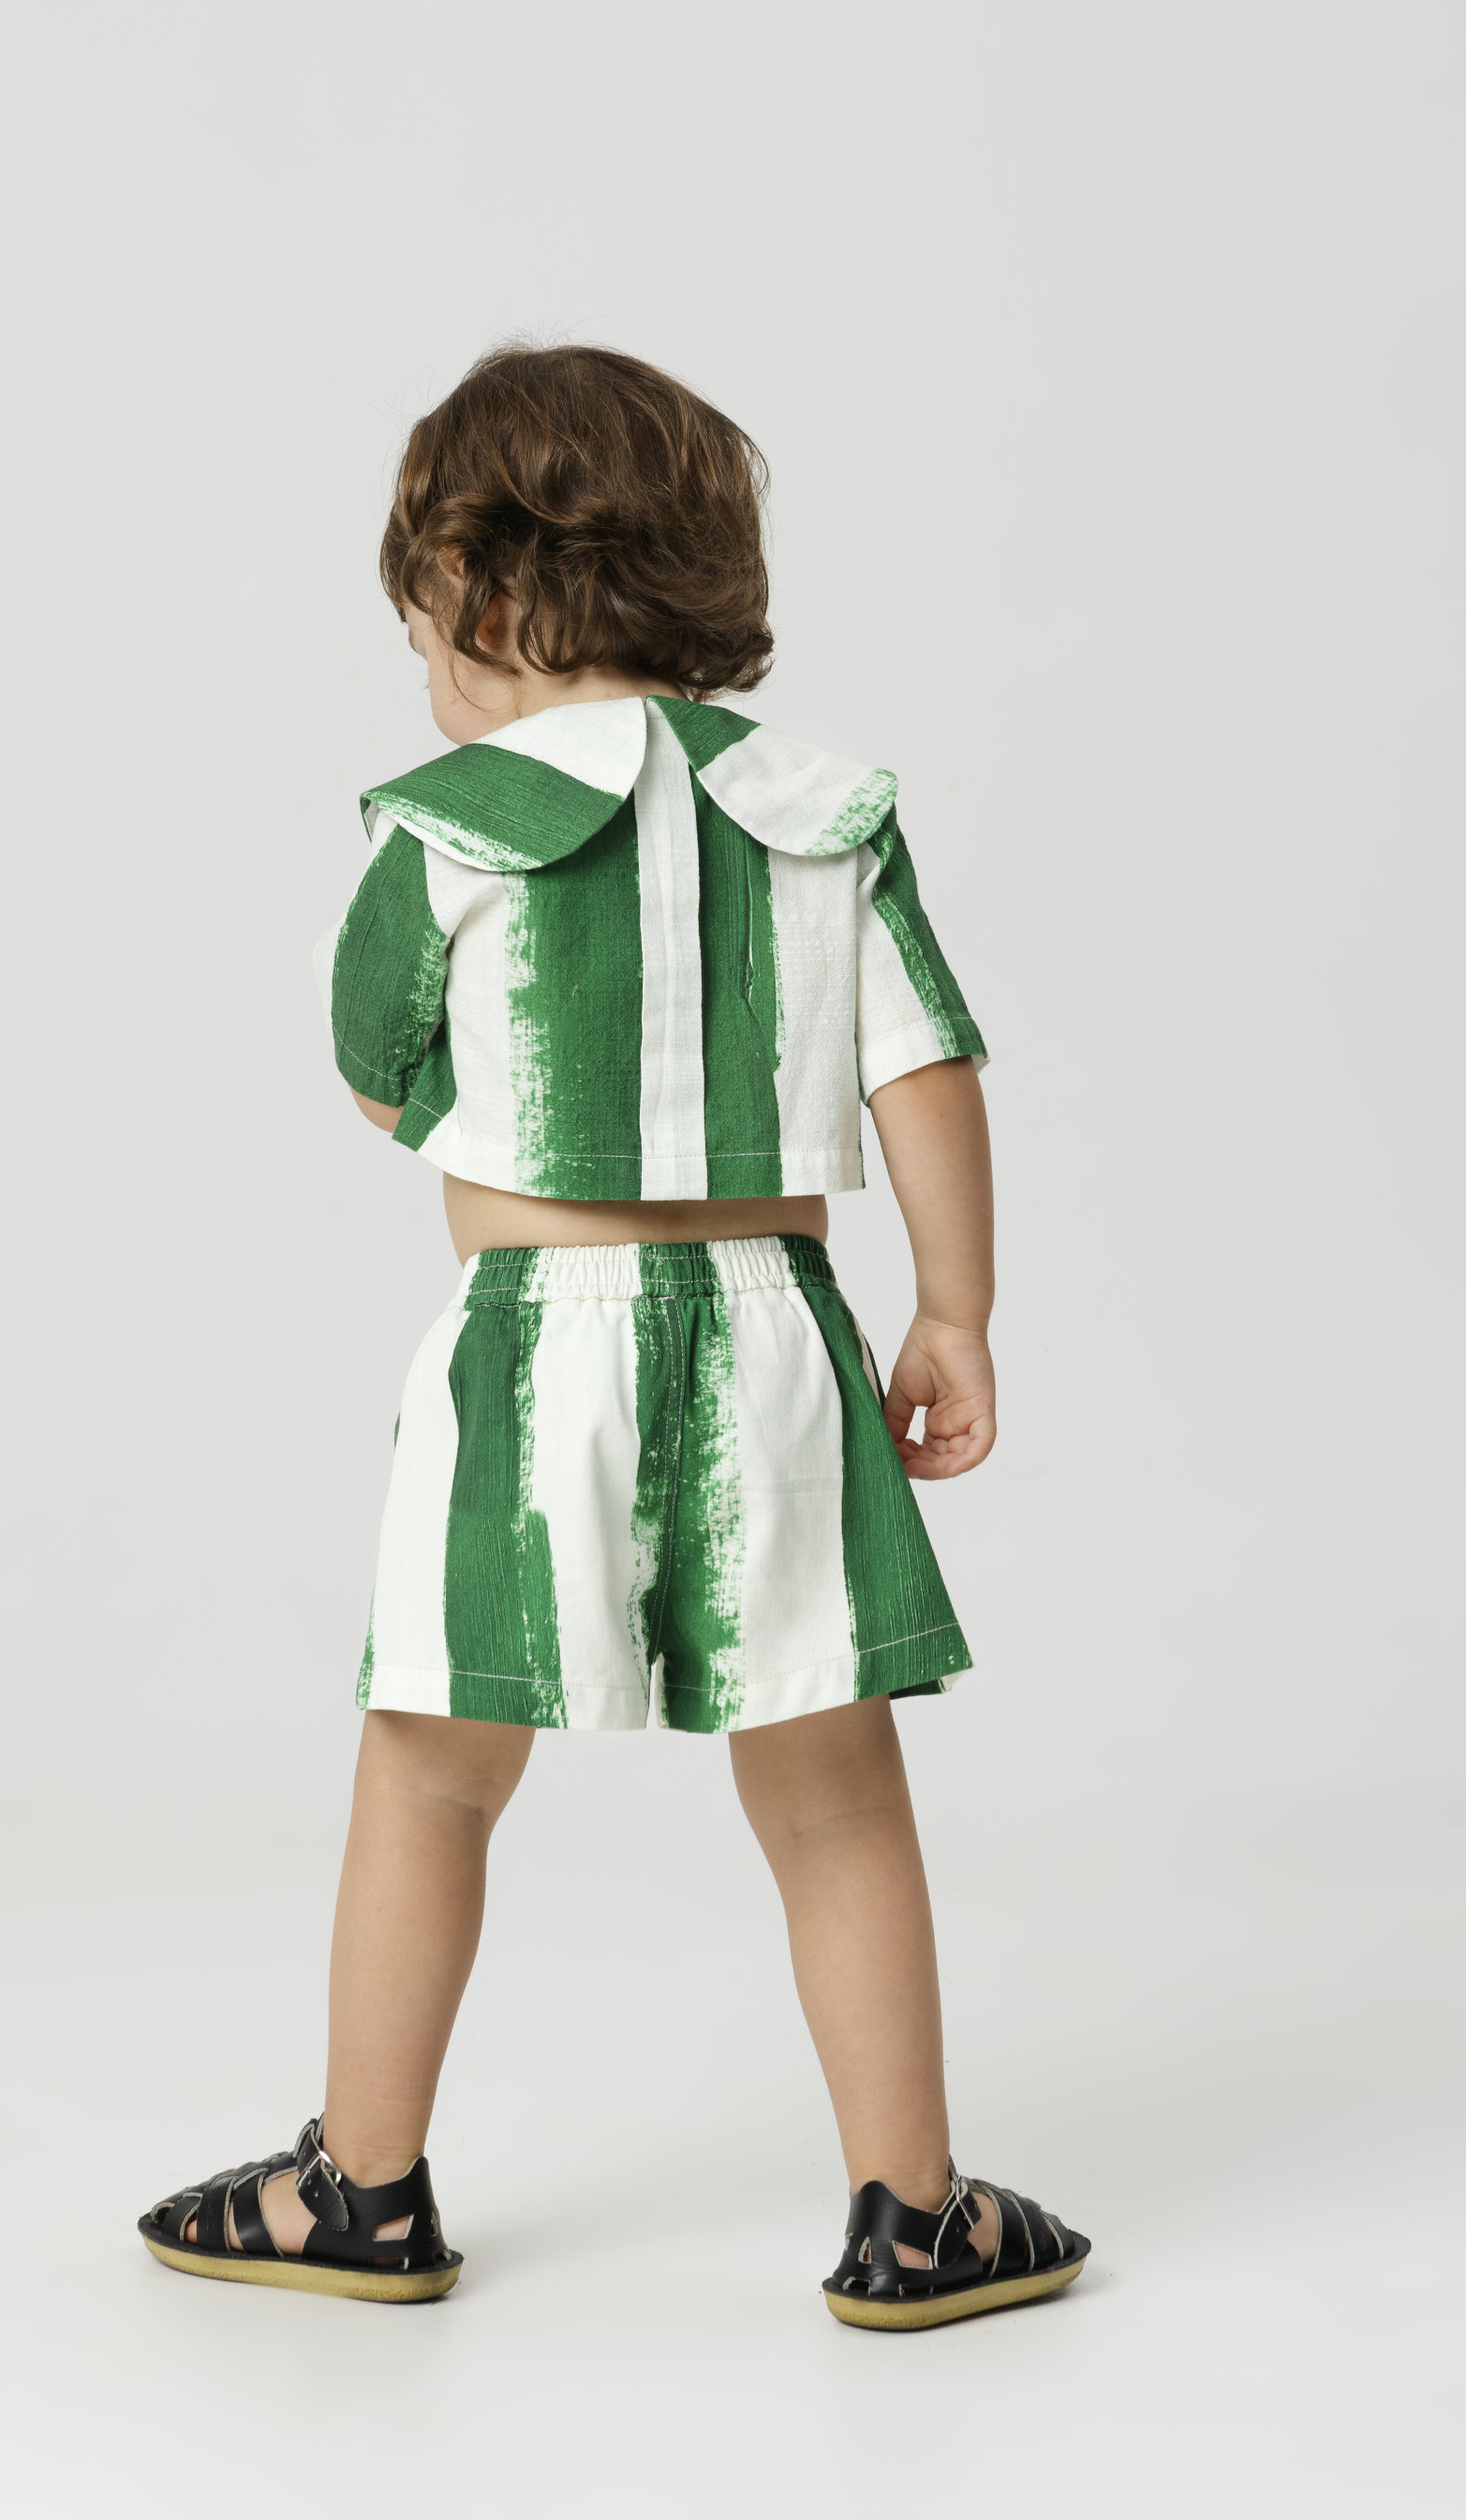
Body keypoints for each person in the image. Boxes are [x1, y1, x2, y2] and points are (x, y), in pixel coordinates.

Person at [139, 345, 1088, 2329]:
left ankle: (362, 2187)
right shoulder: (823, 813)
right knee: (833, 1785)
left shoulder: (444, 826)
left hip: (531, 1343)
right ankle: (916, 2213)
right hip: (776, 1330)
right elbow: (926, 1067)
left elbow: (374, 1069)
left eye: (417, 623)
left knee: (432, 1769)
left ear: (474, 591)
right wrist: (958, 1309)